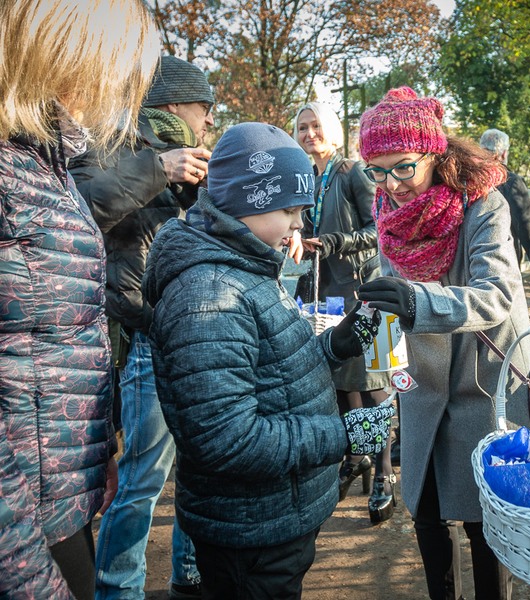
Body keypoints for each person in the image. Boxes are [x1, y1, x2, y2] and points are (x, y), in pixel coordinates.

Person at [142, 122, 392, 598]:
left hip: (276, 516)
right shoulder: (208, 295)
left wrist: (343, 340)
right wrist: (345, 433)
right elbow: (228, 439)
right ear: (248, 201)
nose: (299, 225)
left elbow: (274, 369)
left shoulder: (245, 267)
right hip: (251, 532)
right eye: (290, 210)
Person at [0, 0, 160, 597]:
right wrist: (25, 575)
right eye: (112, 66)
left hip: (58, 486)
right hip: (20, 528)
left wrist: (96, 448)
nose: (116, 88)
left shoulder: (47, 163)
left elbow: (57, 330)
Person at [355, 87, 530, 600]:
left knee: (485, 516)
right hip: (422, 381)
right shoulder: (388, 208)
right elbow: (390, 297)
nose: (392, 184)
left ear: (434, 152)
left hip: (483, 376)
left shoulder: (484, 205)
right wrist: (375, 348)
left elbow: (496, 295)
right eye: (378, 169)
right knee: (427, 510)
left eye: (404, 166)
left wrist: (416, 304)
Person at [68, 54, 214, 600]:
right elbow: (84, 210)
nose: (206, 125)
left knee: (199, 472)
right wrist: (161, 169)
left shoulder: (191, 159)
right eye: (203, 111)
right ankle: (117, 590)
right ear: (175, 103)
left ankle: (191, 577)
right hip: (142, 338)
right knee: (142, 480)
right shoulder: (103, 145)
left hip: (192, 335)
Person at [291, 101, 395, 523]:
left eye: (315, 126)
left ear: (330, 129)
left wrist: (333, 243)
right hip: (321, 294)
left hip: (362, 291)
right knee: (339, 384)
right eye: (301, 127)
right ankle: (357, 457)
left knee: (371, 386)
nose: (309, 133)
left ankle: (385, 471)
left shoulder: (352, 172)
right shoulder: (307, 177)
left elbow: (379, 230)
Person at [479, 128, 530, 266]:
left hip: (472, 254)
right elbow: (525, 222)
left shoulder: (466, 177)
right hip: (503, 254)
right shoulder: (511, 182)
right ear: (503, 153)